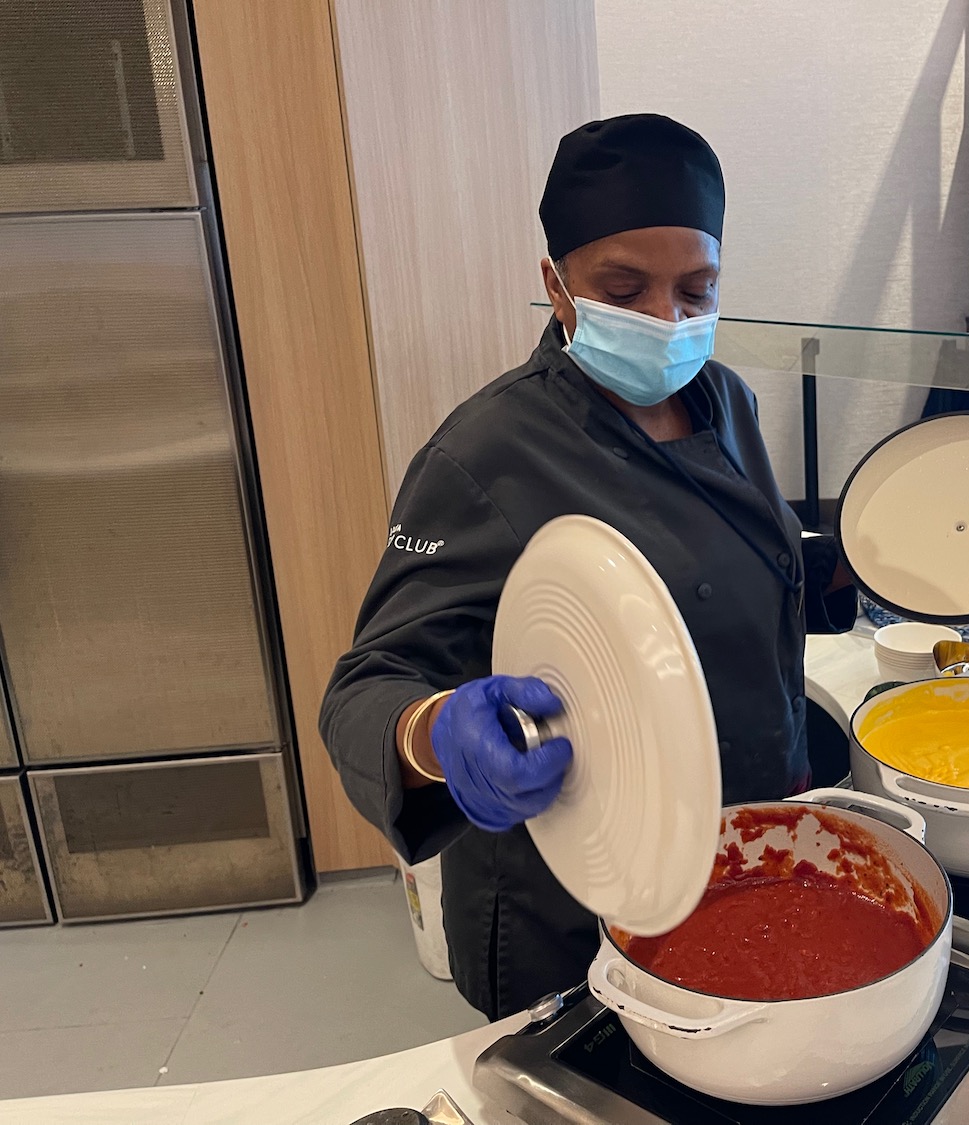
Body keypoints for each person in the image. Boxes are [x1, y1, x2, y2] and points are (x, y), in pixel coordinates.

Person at [319, 114, 856, 1021]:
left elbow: (729, 566)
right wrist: (435, 729)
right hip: (577, 906)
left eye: (696, 289)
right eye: (624, 287)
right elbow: (364, 688)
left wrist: (850, 569)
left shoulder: (725, 400)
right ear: (557, 286)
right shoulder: (486, 455)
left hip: (739, 849)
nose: (665, 320)